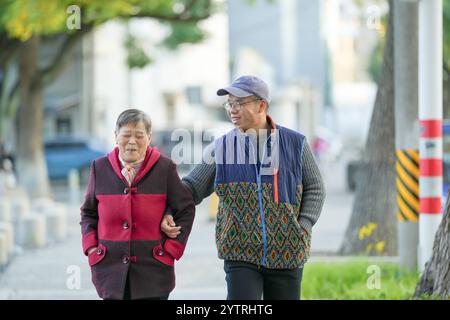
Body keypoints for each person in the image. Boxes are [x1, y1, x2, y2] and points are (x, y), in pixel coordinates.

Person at [161, 75, 326, 300]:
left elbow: (315, 187)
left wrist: (303, 226)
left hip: (288, 251)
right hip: (240, 252)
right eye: (230, 103)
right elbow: (192, 187)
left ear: (261, 105)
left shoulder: (295, 144)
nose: (233, 109)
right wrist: (169, 210)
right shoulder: (222, 147)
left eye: (240, 103)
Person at [80, 108, 195, 300]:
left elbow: (185, 209)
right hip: (110, 271)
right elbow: (88, 213)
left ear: (149, 138)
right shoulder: (100, 168)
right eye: (126, 135)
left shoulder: (165, 168)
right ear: (116, 136)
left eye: (139, 135)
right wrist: (92, 249)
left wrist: (171, 250)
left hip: (154, 271)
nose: (132, 142)